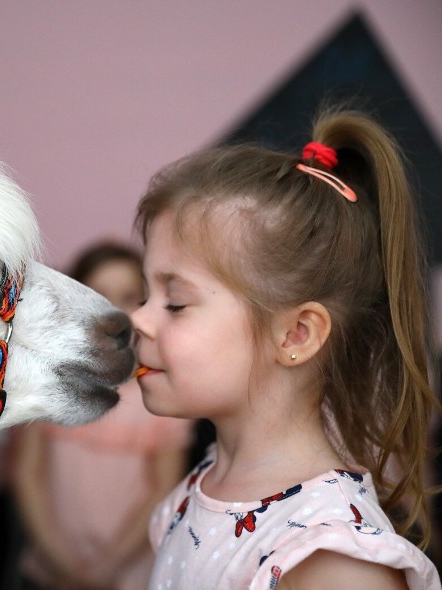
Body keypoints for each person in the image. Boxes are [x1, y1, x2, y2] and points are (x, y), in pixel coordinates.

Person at [132, 107, 441, 589]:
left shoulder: (335, 560)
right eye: (145, 293)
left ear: (296, 335)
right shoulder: (201, 487)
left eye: (174, 302)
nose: (137, 317)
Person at [13, 241, 194, 590]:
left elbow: (163, 488)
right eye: (98, 294)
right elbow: (28, 474)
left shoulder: (161, 399)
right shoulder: (52, 387)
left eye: (130, 296)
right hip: (53, 570)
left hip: (128, 574)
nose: (116, 310)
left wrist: (106, 567)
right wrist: (60, 560)